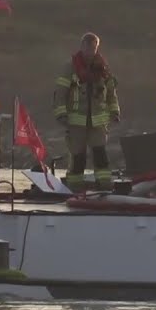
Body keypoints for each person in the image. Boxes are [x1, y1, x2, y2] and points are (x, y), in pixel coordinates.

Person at [52, 32, 121, 191]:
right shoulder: (70, 67)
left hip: (98, 121)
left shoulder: (103, 68)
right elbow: (60, 93)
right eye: (88, 47)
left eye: (94, 48)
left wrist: (115, 111)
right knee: (78, 156)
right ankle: (75, 187)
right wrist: (61, 114)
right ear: (82, 47)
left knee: (100, 154)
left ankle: (104, 185)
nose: (91, 51)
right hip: (76, 121)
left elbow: (111, 93)